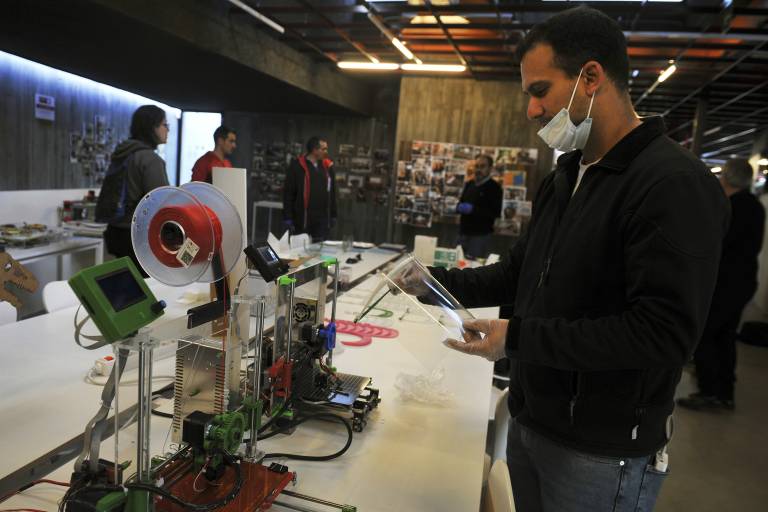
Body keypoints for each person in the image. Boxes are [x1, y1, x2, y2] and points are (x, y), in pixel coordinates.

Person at [402, 7, 729, 512]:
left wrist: (518, 338)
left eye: (540, 91)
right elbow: (519, 276)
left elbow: (663, 333)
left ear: (591, 78)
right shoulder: (567, 177)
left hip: (601, 452)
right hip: (534, 421)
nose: (532, 111)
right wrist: (429, 283)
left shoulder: (672, 183)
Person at [678, 158, 765, 411]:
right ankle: (725, 392)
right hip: (743, 282)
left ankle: (710, 392)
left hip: (726, 283)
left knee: (706, 335)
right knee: (725, 337)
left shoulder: (731, 207)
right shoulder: (753, 205)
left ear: (726, 177)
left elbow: (716, 245)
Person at [98, 105, 170, 276]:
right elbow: (161, 203)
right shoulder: (150, 159)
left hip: (115, 231)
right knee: (146, 289)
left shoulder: (123, 153)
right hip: (138, 237)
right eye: (164, 124)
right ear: (152, 127)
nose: (167, 129)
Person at [282, 136, 337, 241]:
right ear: (314, 149)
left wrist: (333, 214)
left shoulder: (327, 167)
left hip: (322, 220)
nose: (326, 152)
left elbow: (332, 192)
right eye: (323, 149)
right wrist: (287, 217)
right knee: (300, 253)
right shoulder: (297, 166)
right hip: (302, 219)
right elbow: (288, 193)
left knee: (320, 253)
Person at [456, 154, 503, 258]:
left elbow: (495, 212)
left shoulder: (495, 188)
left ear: (490, 169)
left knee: (474, 268)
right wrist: (458, 207)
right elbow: (461, 202)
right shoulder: (469, 184)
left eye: (482, 166)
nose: (478, 169)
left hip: (480, 236)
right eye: (476, 166)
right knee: (457, 264)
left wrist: (473, 210)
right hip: (463, 233)